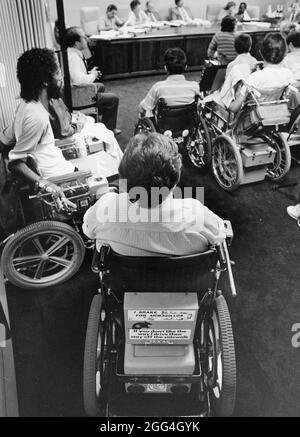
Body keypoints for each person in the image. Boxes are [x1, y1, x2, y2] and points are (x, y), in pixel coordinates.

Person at [0, 48, 123, 205]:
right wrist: (48, 185)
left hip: (61, 167)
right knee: (116, 175)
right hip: (62, 179)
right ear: (45, 81)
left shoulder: (28, 105)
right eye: (58, 72)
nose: (62, 77)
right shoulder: (36, 116)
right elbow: (16, 162)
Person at [82, 133, 226, 256]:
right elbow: (220, 237)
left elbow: (88, 231)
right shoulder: (196, 214)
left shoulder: (105, 208)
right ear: (176, 180)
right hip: (185, 282)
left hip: (124, 282)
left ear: (125, 179)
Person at [66, 26, 121, 135]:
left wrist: (90, 73)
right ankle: (109, 130)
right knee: (113, 99)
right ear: (76, 43)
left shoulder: (72, 53)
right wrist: (93, 75)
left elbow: (77, 76)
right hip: (78, 96)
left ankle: (101, 120)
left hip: (78, 91)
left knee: (100, 86)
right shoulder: (74, 58)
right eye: (83, 37)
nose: (87, 39)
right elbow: (78, 81)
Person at [228, 32, 294, 113]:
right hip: (275, 115)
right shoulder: (288, 75)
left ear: (261, 52)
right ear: (284, 54)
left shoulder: (253, 78)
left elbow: (234, 108)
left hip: (253, 119)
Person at [138, 47, 200, 117]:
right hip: (188, 123)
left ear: (165, 68)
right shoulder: (195, 86)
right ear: (186, 67)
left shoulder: (158, 87)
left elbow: (143, 108)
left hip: (164, 125)